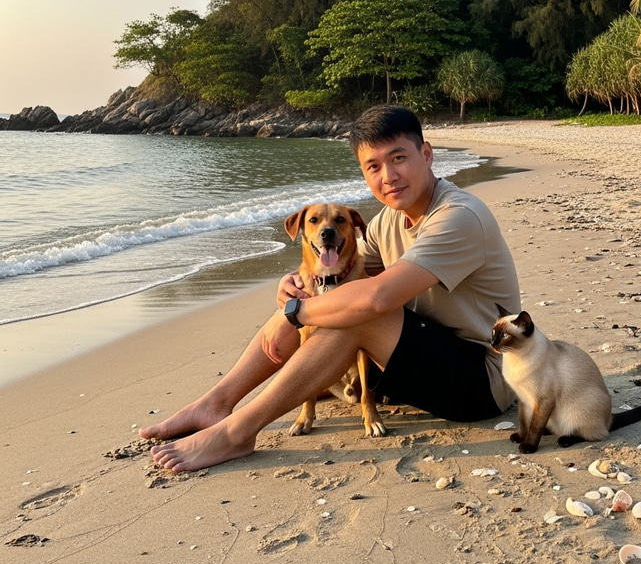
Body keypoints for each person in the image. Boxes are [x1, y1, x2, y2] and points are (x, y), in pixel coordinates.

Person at [142, 105, 521, 471]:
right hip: (426, 362)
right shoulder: (390, 219)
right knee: (320, 295)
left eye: (398, 158)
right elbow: (340, 273)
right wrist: (292, 288)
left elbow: (377, 297)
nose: (388, 175)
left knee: (355, 314)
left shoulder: (458, 217)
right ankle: (216, 402)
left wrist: (294, 315)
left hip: (483, 379)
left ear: (426, 154)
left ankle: (237, 431)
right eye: (373, 166)